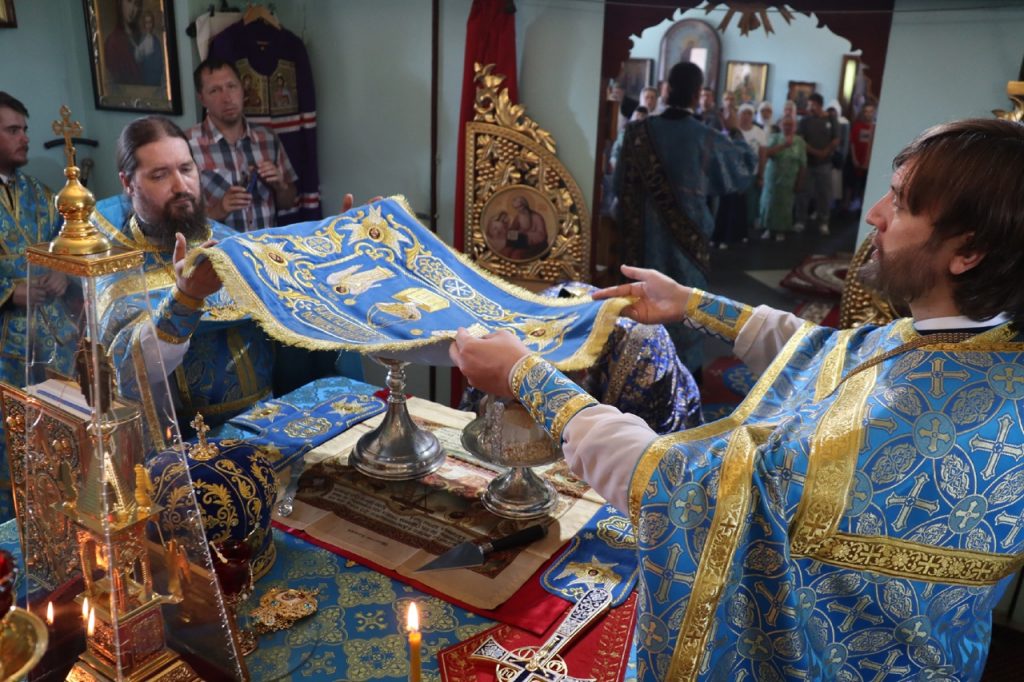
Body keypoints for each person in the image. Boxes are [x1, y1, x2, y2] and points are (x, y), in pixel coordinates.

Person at [450, 118, 1024, 682]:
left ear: (967, 252)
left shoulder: (891, 434)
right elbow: (826, 353)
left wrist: (527, 377)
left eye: (899, 204)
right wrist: (692, 304)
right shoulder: (976, 350)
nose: (875, 214)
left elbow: (676, 489)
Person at [94, 116, 275, 431]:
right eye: (160, 175)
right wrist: (186, 299)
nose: (181, 186)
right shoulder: (115, 267)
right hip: (192, 438)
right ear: (128, 183)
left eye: (186, 169)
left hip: (270, 414)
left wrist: (336, 250)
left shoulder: (228, 240)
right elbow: (132, 370)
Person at [614, 61, 755, 376]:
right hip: (687, 246)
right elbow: (743, 169)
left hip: (640, 244)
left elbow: (618, 186)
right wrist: (734, 129)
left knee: (641, 308)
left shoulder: (635, 133)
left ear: (667, 90)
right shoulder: (706, 137)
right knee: (685, 308)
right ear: (696, 94)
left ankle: (635, 375)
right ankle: (684, 380)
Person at [0, 92, 78, 521]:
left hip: (54, 343)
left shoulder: (41, 194)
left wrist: (64, 273)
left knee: (61, 443)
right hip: (4, 353)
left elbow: (67, 245)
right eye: (13, 130)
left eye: (24, 129)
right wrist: (8, 293)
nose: (25, 138)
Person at [187, 57, 297, 233]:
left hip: (266, 247)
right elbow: (180, 218)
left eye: (231, 86)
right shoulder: (187, 145)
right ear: (202, 99)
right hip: (219, 248)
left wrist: (280, 185)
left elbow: (289, 202)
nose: (227, 98)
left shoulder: (268, 139)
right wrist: (219, 210)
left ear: (242, 89)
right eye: (215, 90)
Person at [795, 93, 839, 235]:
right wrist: (815, 152)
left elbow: (836, 139)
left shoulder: (831, 119)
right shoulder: (805, 120)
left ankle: (824, 221)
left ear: (818, 105)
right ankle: (800, 220)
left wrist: (825, 152)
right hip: (807, 163)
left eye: (811, 104)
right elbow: (800, 140)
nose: (809, 107)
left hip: (825, 164)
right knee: (803, 193)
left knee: (824, 194)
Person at [759, 114, 806, 241]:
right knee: (769, 203)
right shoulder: (774, 138)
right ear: (780, 126)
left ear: (795, 127)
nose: (787, 127)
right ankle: (768, 228)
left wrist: (800, 182)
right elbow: (766, 153)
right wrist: (783, 145)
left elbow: (803, 163)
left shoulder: (800, 142)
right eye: (785, 124)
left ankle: (781, 230)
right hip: (772, 177)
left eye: (790, 125)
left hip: (789, 179)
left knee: (785, 205)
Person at [104, 0, 144, 85]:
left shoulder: (142, 38)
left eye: (136, 4)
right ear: (120, 3)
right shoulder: (113, 42)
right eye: (129, 1)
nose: (132, 9)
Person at [133, 10, 164, 87]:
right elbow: (137, 58)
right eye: (146, 23)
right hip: (145, 76)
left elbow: (159, 61)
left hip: (155, 77)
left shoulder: (156, 40)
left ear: (152, 23)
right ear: (144, 24)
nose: (148, 25)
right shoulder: (141, 39)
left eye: (150, 22)